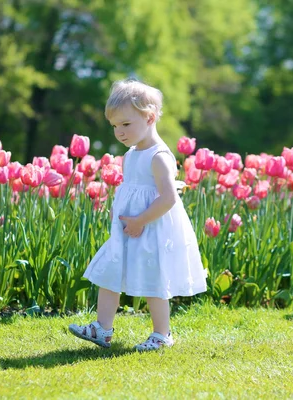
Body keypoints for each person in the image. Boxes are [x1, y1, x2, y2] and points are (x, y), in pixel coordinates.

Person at [69, 79, 208, 351]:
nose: (119, 132)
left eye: (126, 124)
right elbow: (132, 189)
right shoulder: (131, 154)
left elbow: (168, 198)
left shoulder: (159, 157)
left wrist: (140, 221)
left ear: (150, 117)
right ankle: (102, 328)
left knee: (154, 279)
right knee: (110, 270)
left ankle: (162, 334)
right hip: (128, 228)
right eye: (115, 126)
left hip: (151, 228)